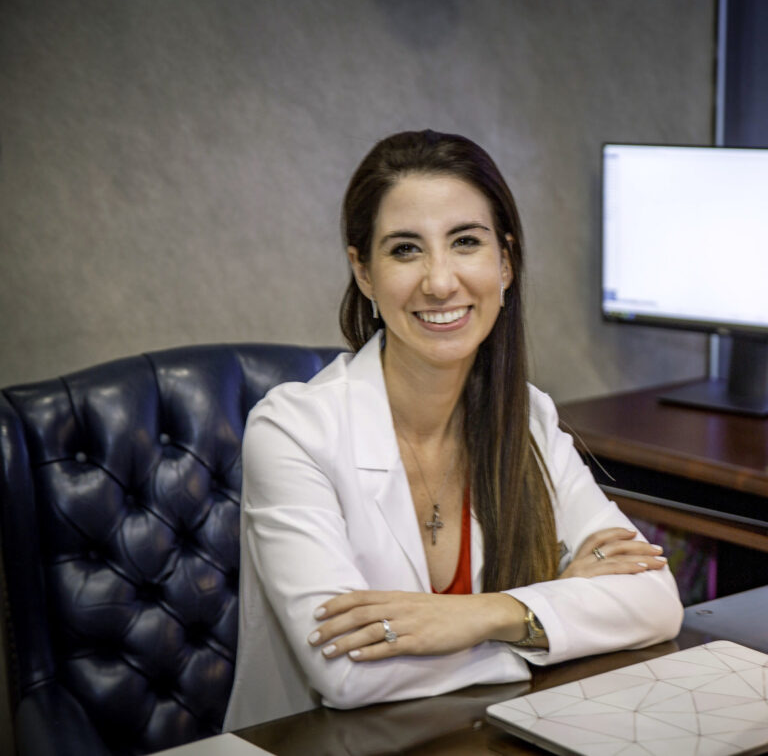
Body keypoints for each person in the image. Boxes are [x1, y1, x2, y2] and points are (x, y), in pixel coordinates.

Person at [223, 130, 682, 730]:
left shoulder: (528, 416)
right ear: (363, 272)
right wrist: (552, 618)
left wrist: (483, 615)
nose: (440, 281)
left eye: (465, 242)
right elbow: (347, 672)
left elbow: (654, 601)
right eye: (406, 250)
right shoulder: (292, 432)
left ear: (505, 262)